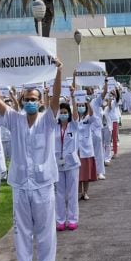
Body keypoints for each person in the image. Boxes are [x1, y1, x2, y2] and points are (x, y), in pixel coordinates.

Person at [0, 58, 63, 261]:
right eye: (27, 99)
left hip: (42, 184)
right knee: (22, 230)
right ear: (22, 101)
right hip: (21, 184)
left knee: (45, 230)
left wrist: (59, 71)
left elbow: (57, 97)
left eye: (33, 99)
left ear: (40, 102)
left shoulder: (48, 120)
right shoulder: (14, 119)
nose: (30, 102)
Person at [54, 96, 81, 231]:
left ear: (69, 113)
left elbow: (76, 114)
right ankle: (59, 220)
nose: (63, 114)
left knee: (72, 193)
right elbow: (50, 112)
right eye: (61, 112)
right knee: (59, 193)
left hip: (72, 163)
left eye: (65, 112)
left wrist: (73, 97)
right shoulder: (55, 126)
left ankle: (72, 219)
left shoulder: (74, 125)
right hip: (58, 163)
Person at [74, 93, 100, 201]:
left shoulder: (88, 118)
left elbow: (93, 115)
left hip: (87, 149)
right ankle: (79, 192)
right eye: (78, 106)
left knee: (86, 173)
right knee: (78, 173)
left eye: (82, 106)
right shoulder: (74, 119)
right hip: (77, 150)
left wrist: (88, 102)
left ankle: (85, 192)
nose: (80, 107)